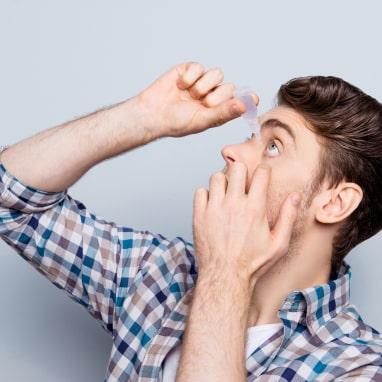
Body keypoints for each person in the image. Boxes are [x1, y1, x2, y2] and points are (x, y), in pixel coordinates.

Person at [0, 62, 381, 381]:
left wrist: (226, 271)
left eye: (274, 146)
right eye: (252, 136)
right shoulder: (159, 276)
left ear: (335, 203)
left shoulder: (357, 367)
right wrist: (140, 119)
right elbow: (12, 202)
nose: (230, 151)